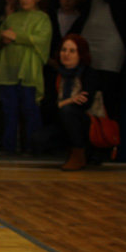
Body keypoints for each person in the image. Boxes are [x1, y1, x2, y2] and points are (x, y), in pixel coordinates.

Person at [0, 0, 51, 155]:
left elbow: (42, 40)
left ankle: (32, 146)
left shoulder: (42, 18)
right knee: (9, 110)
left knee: (30, 109)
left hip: (28, 70)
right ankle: (8, 145)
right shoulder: (12, 18)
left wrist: (17, 37)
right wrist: (2, 39)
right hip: (8, 69)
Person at [32, 34, 99, 170]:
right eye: (64, 50)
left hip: (87, 123)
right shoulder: (54, 75)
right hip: (61, 122)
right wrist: (69, 101)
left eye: (72, 51)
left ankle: (79, 154)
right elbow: (45, 108)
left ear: (81, 54)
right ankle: (72, 151)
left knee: (68, 111)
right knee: (37, 139)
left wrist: (61, 105)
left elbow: (85, 103)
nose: (66, 54)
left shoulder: (88, 73)